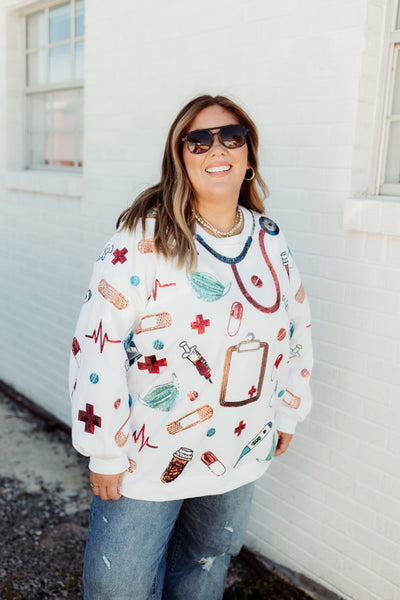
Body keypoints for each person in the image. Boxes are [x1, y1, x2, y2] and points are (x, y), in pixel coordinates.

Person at [69, 94, 313, 600]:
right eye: (198, 140)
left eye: (231, 135)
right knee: (119, 586)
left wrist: (289, 410)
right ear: (180, 157)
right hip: (147, 451)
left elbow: (296, 329)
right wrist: (105, 449)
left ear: (249, 154)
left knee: (204, 567)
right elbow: (99, 344)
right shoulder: (142, 239)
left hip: (238, 442)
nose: (215, 148)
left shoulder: (270, 238)